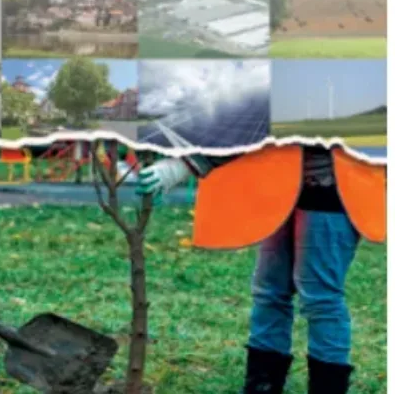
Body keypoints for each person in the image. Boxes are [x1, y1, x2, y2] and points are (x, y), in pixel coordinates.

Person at [137, 144, 385, 394]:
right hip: (278, 192)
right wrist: (183, 164)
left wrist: (185, 165)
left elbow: (256, 127)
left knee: (320, 298)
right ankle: (262, 386)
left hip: (333, 192)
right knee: (270, 291)